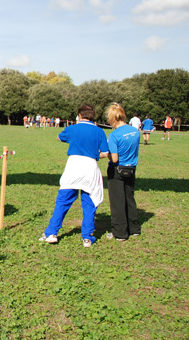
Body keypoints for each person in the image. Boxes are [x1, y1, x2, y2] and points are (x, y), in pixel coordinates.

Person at [39, 104, 109, 248]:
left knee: (63, 202)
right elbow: (106, 153)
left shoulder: (72, 128)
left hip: (73, 167)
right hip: (90, 169)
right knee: (89, 204)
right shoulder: (99, 131)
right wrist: (95, 156)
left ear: (80, 115)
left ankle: (51, 233)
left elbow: (59, 137)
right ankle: (87, 238)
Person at [105, 103, 141, 241]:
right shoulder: (135, 131)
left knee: (117, 201)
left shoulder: (114, 135)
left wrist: (104, 154)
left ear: (112, 119)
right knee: (129, 198)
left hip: (117, 170)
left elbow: (114, 158)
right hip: (131, 168)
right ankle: (134, 228)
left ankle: (120, 232)